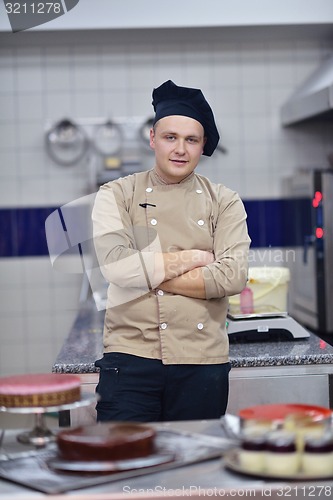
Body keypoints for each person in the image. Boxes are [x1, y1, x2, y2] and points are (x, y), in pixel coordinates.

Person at [92, 80, 251, 422]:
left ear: (202, 144)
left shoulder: (224, 200)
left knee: (197, 471)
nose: (180, 149)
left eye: (191, 139)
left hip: (202, 361)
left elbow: (232, 276)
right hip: (129, 358)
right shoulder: (116, 194)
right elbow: (115, 268)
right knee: (125, 467)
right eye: (170, 137)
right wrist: (193, 258)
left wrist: (146, 273)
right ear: (153, 139)